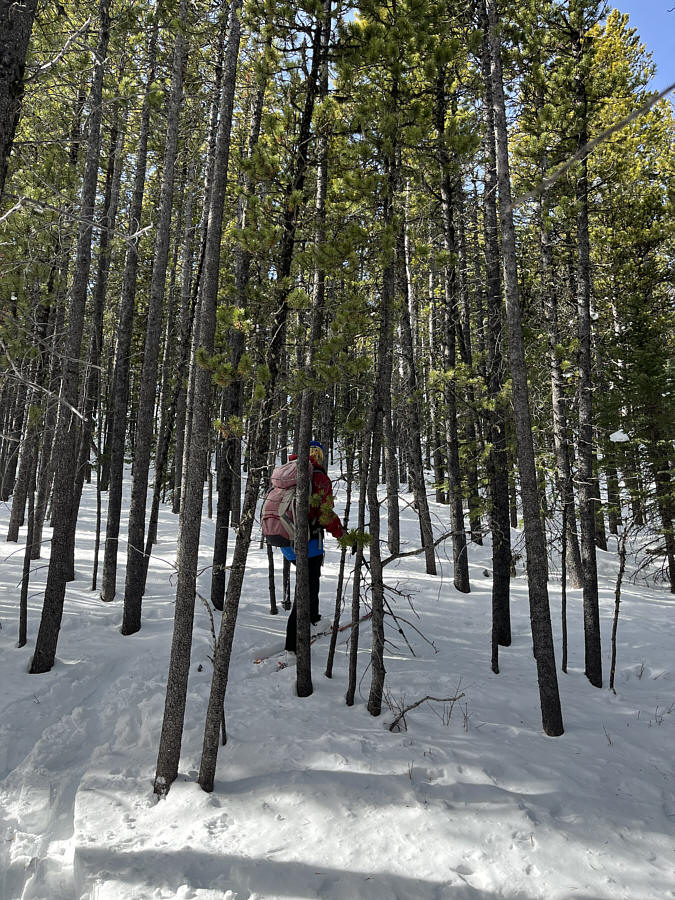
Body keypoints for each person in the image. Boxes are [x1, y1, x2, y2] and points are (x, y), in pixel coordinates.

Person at [283, 440, 343, 653]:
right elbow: (325, 515)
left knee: (309, 582)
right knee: (306, 589)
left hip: (286, 541)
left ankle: (314, 620)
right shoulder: (318, 478)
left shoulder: (288, 473)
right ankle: (292, 646)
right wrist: (341, 533)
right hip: (309, 543)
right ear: (319, 456)